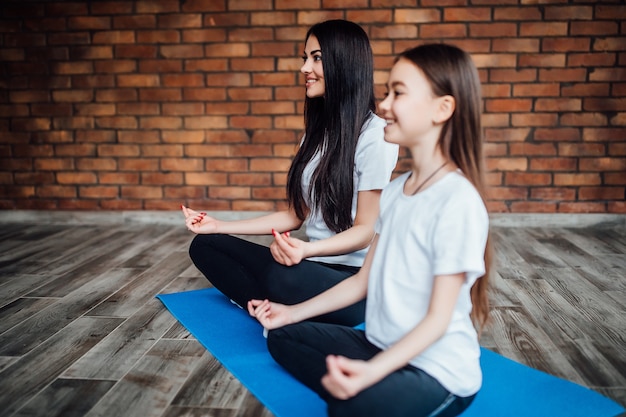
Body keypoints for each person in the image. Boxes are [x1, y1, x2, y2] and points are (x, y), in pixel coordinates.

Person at [247, 43, 491, 417]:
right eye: (388, 91)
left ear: (442, 108)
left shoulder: (457, 201)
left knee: (350, 405)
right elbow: (362, 282)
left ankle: (366, 388)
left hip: (436, 373)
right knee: (281, 335)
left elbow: (438, 321)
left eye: (399, 93)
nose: (386, 104)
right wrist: (291, 313)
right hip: (378, 344)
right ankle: (362, 383)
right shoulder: (396, 193)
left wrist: (370, 374)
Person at [182, 19, 398, 327]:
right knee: (206, 246)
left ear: (344, 64)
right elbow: (296, 216)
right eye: (305, 58)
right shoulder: (316, 135)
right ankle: (265, 306)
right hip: (310, 265)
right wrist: (219, 225)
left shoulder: (375, 135)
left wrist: (308, 249)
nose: (304, 68)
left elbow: (365, 231)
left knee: (283, 278)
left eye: (316, 57)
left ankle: (267, 301)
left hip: (352, 282)